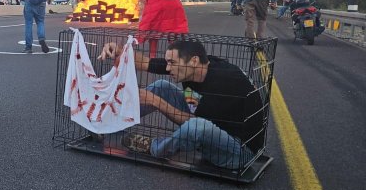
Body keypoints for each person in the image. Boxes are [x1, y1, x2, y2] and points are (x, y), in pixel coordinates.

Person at [99, 40, 263, 170]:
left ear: (193, 61)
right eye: (168, 62)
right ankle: (111, 123)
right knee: (161, 86)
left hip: (236, 151)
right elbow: (146, 62)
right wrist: (120, 51)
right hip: (214, 125)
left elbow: (193, 123)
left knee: (196, 125)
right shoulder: (199, 66)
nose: (168, 67)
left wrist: (154, 101)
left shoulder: (223, 83)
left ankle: (155, 148)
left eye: (172, 63)